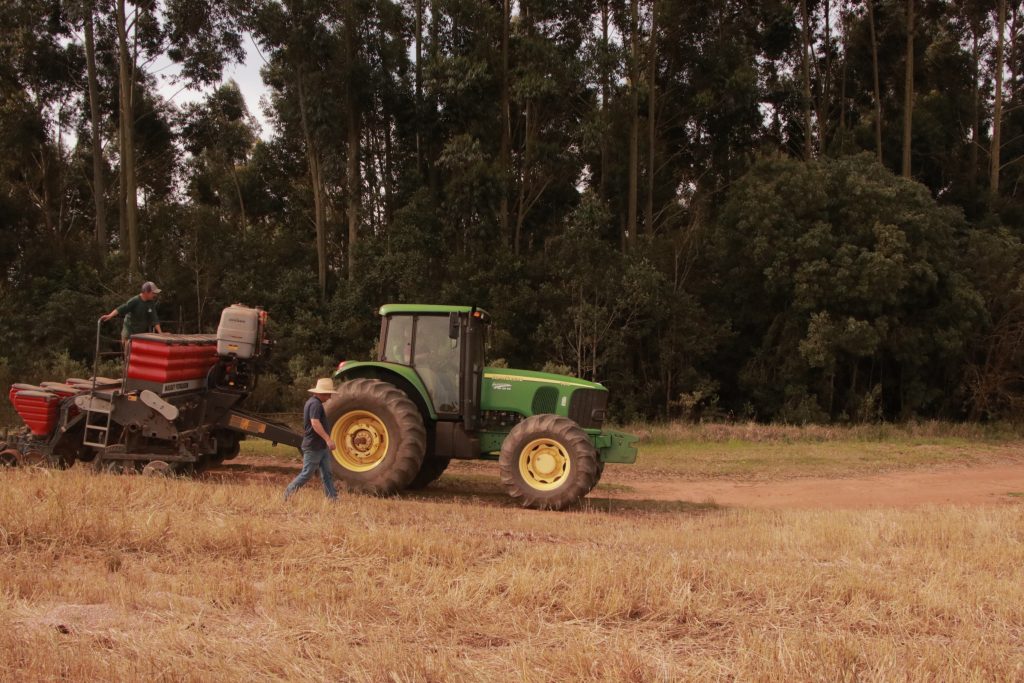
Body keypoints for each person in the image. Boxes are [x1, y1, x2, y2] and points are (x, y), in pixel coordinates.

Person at [284, 378, 339, 501]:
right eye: (328, 394)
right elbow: (315, 423)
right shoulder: (315, 404)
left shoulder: (313, 402)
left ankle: (332, 499)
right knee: (307, 474)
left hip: (320, 447)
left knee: (327, 474)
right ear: (322, 393)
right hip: (313, 446)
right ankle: (287, 494)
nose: (330, 397)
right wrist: (328, 440)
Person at [100, 281, 164, 352]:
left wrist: (160, 333)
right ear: (146, 292)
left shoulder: (151, 303)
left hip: (140, 333)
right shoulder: (135, 300)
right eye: (153, 293)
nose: (155, 295)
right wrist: (110, 315)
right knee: (129, 354)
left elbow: (154, 318)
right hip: (129, 332)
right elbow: (122, 308)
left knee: (138, 355)